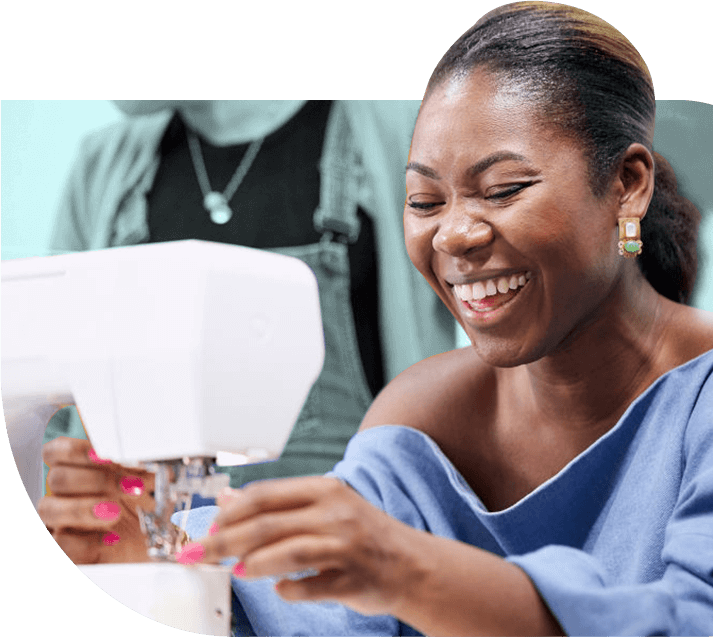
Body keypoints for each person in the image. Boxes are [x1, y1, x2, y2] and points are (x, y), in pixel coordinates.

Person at [38, 5, 713, 636]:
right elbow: (321, 610)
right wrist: (151, 546)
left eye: (502, 187)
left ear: (626, 185)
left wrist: (408, 569)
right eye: (424, 201)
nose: (454, 233)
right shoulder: (423, 417)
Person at [43, 100, 455, 486]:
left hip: (345, 538)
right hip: (151, 549)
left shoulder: (403, 133)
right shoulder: (102, 167)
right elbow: (57, 395)